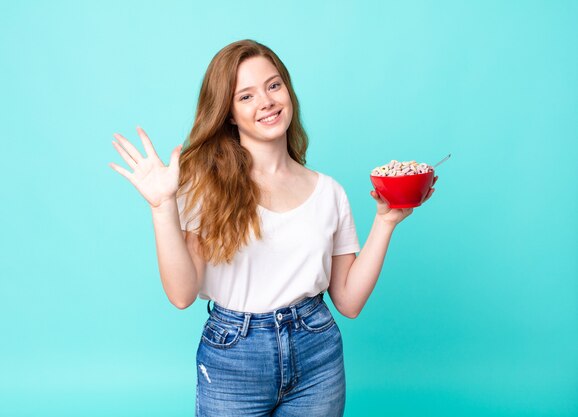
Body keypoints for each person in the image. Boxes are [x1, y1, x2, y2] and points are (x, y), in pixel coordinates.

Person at [108, 39, 437, 417]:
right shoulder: (205, 187)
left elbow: (348, 301)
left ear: (287, 91)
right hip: (234, 357)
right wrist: (163, 206)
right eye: (245, 96)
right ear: (229, 113)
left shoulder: (329, 192)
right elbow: (182, 295)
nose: (265, 101)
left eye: (273, 85)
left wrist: (385, 222)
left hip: (317, 353)